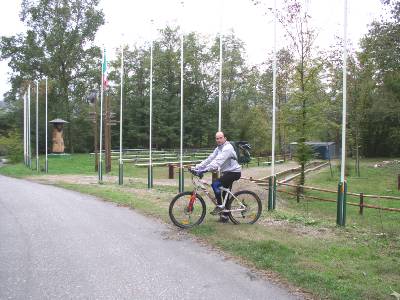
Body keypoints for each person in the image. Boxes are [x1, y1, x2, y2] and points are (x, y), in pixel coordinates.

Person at [194, 131, 241, 223]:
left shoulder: (228, 148)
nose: (218, 140)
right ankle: (225, 216)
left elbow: (217, 162)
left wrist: (204, 170)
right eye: (217, 138)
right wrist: (197, 167)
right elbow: (210, 159)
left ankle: (220, 206)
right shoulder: (218, 148)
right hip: (227, 173)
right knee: (224, 194)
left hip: (234, 172)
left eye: (220, 138)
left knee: (215, 185)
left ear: (225, 138)